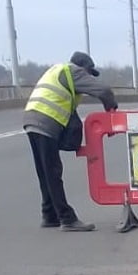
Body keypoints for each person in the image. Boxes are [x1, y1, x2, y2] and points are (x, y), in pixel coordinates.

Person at [23, 52, 118, 232]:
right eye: (89, 73)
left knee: (44, 172)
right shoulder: (74, 72)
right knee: (52, 171)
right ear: (83, 68)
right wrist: (111, 110)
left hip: (31, 119)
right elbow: (104, 90)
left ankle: (49, 214)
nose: (88, 77)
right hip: (45, 121)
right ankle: (67, 218)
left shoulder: (57, 70)